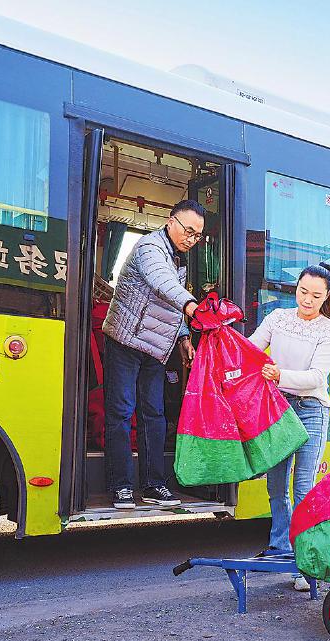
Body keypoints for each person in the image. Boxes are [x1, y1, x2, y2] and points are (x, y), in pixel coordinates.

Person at [102, 200, 204, 509]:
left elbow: (171, 304)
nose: (192, 239)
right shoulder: (150, 247)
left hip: (156, 348)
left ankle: (153, 485)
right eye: (188, 231)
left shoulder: (177, 257)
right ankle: (121, 486)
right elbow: (163, 284)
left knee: (154, 415)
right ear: (171, 222)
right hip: (126, 340)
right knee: (121, 412)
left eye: (197, 235)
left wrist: (184, 337)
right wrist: (193, 307)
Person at [249, 263, 330, 590]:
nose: (308, 300)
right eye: (303, 291)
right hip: (277, 408)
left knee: (303, 487)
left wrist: (279, 375)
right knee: (276, 485)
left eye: (316, 295)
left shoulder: (329, 331)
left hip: (311, 409)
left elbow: (316, 377)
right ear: (296, 288)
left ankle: (305, 563)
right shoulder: (277, 318)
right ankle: (280, 548)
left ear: (326, 296)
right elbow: (250, 348)